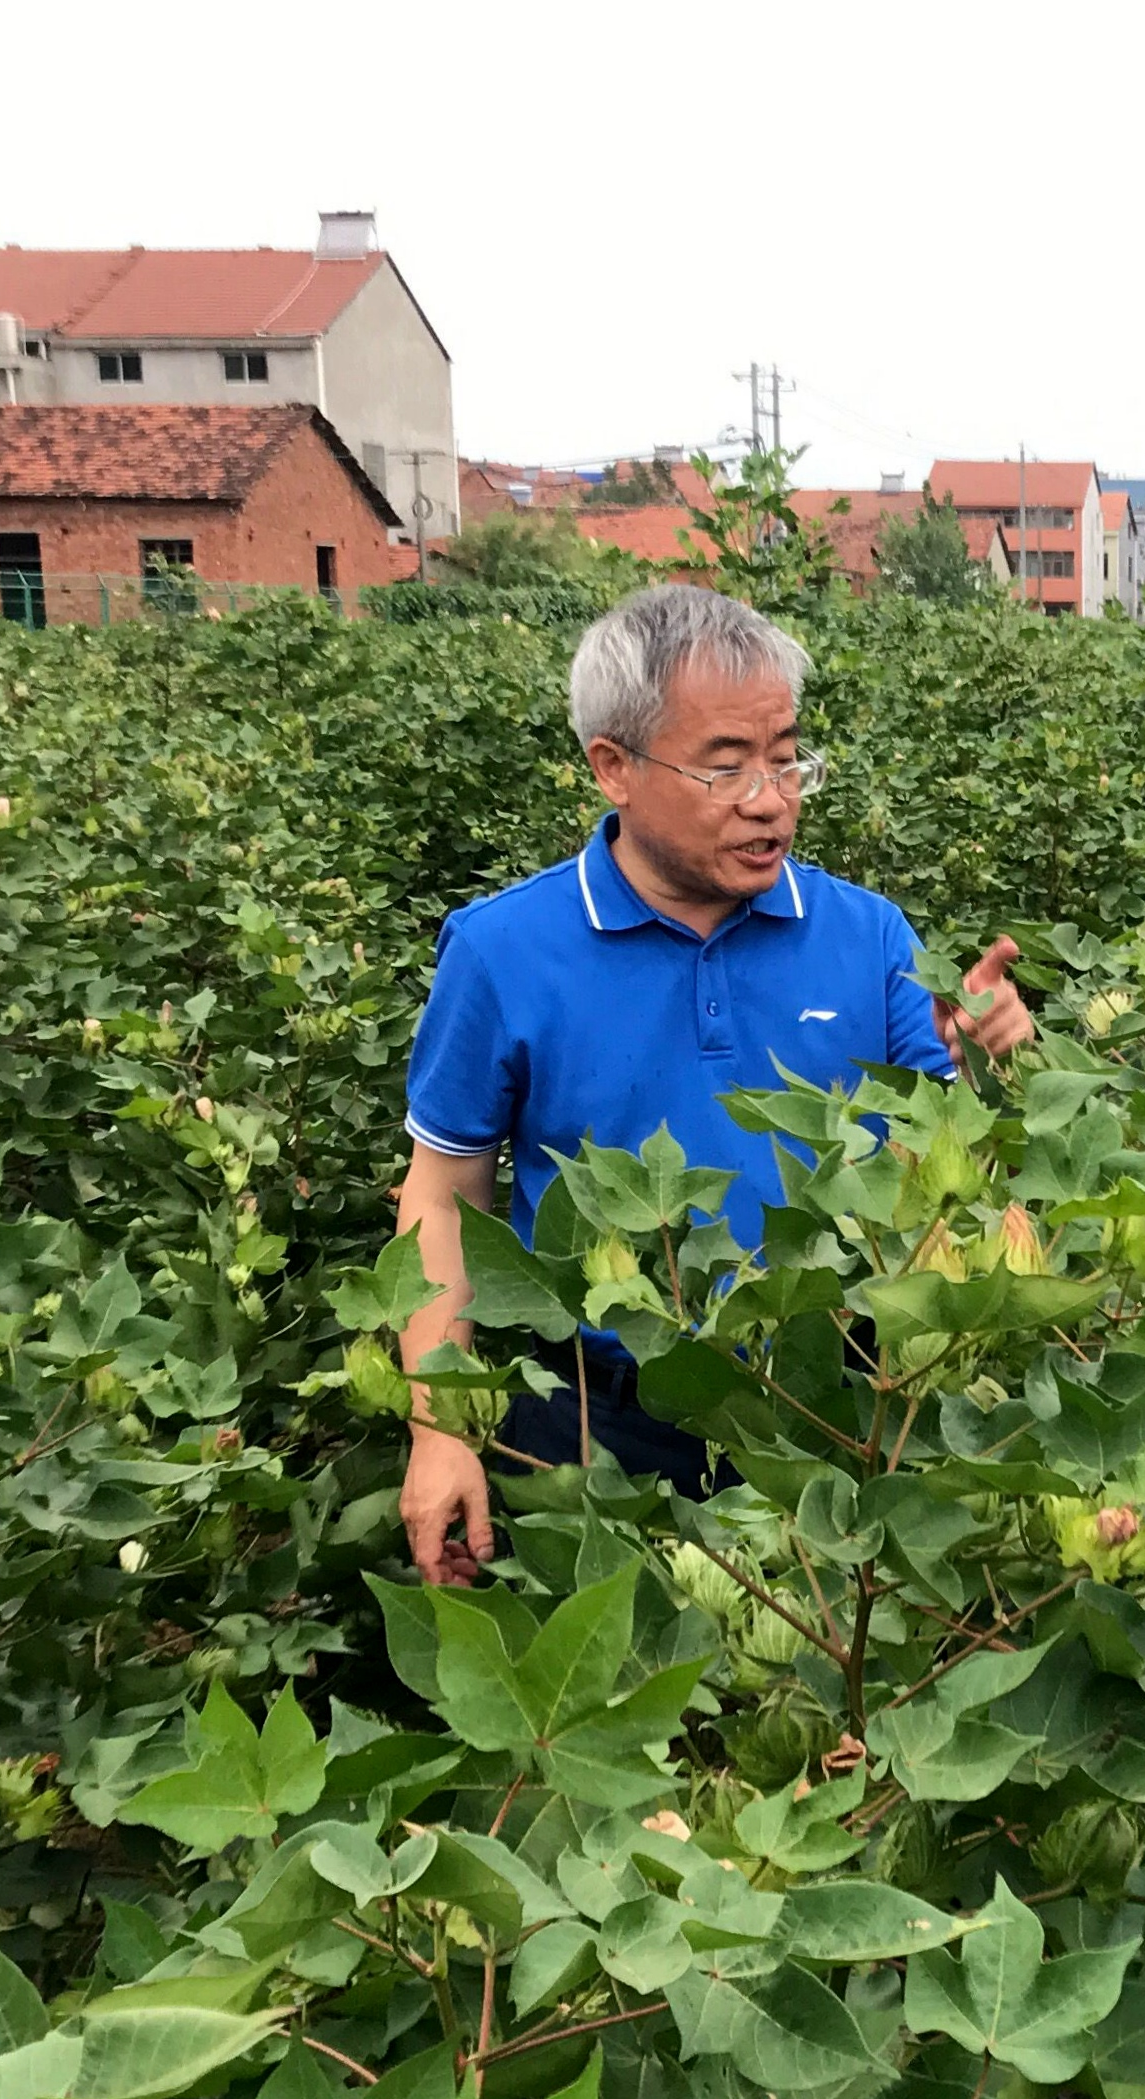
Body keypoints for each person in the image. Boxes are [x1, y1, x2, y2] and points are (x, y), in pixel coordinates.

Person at [391, 583, 1037, 1586]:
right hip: (593, 1423)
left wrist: (983, 1064)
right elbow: (444, 1192)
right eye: (726, 766)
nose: (771, 798)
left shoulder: (867, 936)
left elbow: (940, 1165)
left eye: (787, 759)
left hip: (841, 1410)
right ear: (615, 765)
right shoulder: (504, 951)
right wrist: (441, 1422)